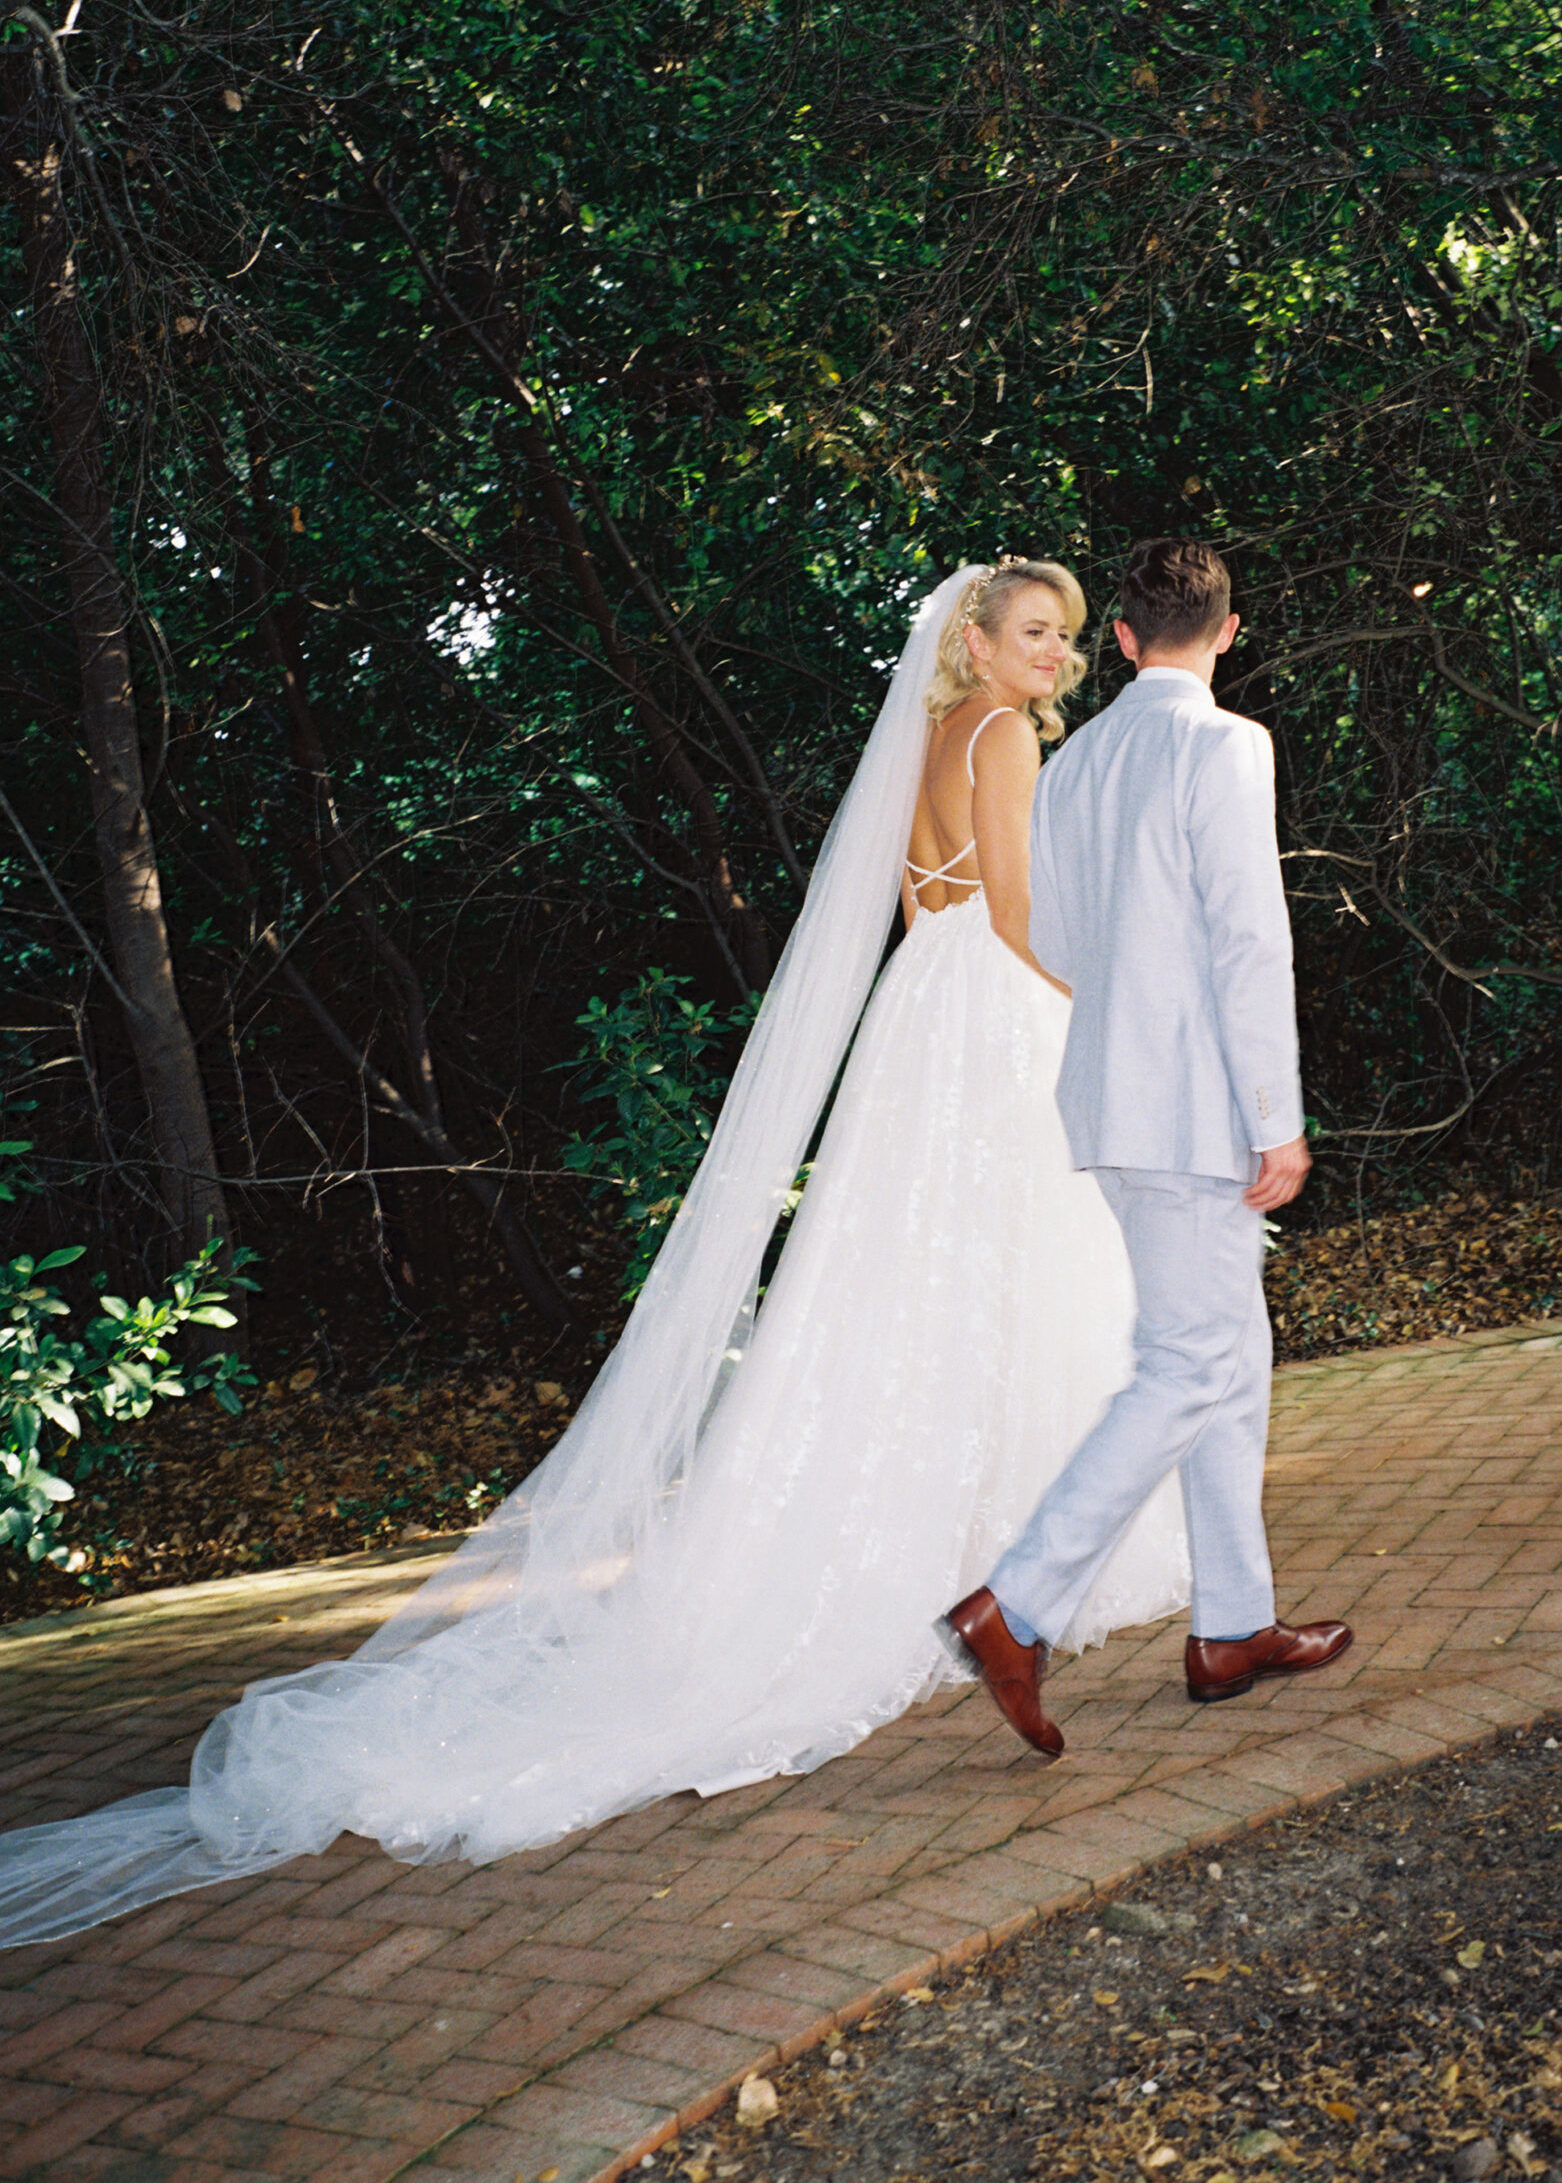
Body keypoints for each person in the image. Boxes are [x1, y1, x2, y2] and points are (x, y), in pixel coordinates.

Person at [0, 562, 1189, 1949]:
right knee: (1018, 1272)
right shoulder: (991, 737)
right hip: (991, 1018)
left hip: (922, 1016)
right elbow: (1016, 913)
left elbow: (931, 910)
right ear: (974, 644)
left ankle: (976, 1531)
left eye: (1061, 636)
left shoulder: (932, 737)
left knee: (916, 1289)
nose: (1053, 657)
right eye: (1031, 634)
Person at [945, 539, 1353, 1758]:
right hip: (1196, 1113)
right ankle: (1014, 1608)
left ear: (1120, 638)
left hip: (1112, 1103)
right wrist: (1272, 1117)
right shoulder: (1223, 744)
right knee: (1188, 1363)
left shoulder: (1077, 763)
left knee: (1229, 1352)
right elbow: (1246, 940)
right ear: (1228, 632)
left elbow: (1056, 934)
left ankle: (1231, 1627)